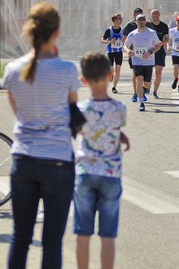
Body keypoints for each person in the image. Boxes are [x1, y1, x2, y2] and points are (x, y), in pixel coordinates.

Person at [3, 3, 80, 268]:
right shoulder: (67, 70)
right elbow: (72, 111)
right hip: (58, 160)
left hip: (23, 158)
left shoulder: (13, 70)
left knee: (20, 236)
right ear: (56, 32)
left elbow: (18, 111)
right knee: (52, 242)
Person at [73, 52, 130, 269]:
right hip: (111, 175)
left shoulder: (79, 110)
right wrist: (121, 136)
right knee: (108, 236)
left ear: (83, 79)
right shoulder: (119, 109)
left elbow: (83, 130)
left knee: (82, 234)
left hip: (85, 172)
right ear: (110, 74)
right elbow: (112, 128)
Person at [124, 13, 161, 112]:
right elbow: (125, 45)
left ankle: (145, 89)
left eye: (143, 20)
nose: (141, 22)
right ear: (136, 22)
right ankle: (141, 103)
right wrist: (128, 51)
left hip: (148, 61)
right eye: (139, 20)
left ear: (145, 21)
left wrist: (150, 52)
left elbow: (158, 45)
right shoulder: (132, 34)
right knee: (139, 80)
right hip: (136, 60)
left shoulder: (151, 33)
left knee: (147, 84)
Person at [146, 8, 169, 99]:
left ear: (159, 15)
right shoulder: (147, 25)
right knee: (148, 71)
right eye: (153, 14)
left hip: (159, 51)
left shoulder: (164, 26)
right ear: (150, 15)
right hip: (149, 51)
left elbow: (167, 38)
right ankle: (147, 86)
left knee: (158, 72)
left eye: (156, 14)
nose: (155, 15)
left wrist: (162, 43)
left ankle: (155, 91)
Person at [101, 13, 125, 94]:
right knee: (111, 71)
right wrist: (109, 41)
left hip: (119, 52)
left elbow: (125, 41)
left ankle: (114, 87)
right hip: (110, 52)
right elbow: (102, 40)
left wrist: (123, 40)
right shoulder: (109, 30)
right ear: (114, 20)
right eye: (119, 18)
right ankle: (110, 76)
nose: (121, 20)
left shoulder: (122, 30)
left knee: (117, 71)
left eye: (121, 18)